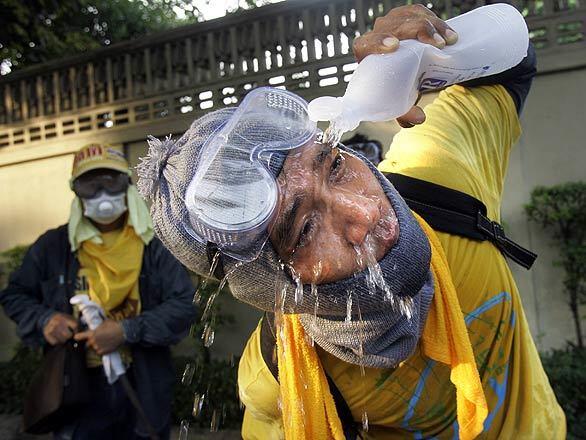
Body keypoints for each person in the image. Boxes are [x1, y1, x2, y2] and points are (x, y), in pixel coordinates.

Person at [137, 4, 565, 439]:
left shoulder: (440, 177)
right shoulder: (283, 376)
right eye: (303, 230)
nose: (364, 213)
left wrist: (432, 55)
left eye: (335, 166)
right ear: (275, 285)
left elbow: (514, 60)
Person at [0, 144, 197, 439]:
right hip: (76, 387)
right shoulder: (53, 247)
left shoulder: (154, 245)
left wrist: (126, 331)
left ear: (127, 185)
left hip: (142, 383)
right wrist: (45, 320)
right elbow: (15, 295)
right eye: (90, 185)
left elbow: (184, 304)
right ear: (76, 192)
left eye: (111, 181)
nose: (102, 193)